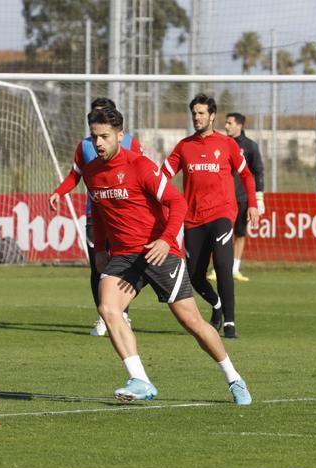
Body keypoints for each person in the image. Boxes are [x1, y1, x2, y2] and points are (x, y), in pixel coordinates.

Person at [82, 105, 251, 405]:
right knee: (108, 309)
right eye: (94, 137)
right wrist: (99, 251)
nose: (98, 143)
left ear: (121, 135)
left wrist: (165, 239)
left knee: (192, 323)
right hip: (123, 257)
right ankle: (140, 380)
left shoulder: (140, 165)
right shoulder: (92, 172)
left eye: (105, 137)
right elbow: (99, 212)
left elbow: (177, 202)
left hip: (160, 252)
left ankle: (234, 377)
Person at [162, 94, 259, 339]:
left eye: (202, 113)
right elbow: (163, 175)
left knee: (224, 267)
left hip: (222, 214)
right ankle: (215, 304)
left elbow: (247, 175)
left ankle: (230, 323)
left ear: (212, 115)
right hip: (193, 218)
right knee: (194, 275)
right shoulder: (184, 146)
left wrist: (253, 205)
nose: (197, 117)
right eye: (194, 113)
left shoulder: (227, 145)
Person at [49, 98, 142, 337]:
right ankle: (104, 317)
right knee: (98, 267)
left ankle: (123, 315)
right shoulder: (84, 146)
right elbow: (75, 175)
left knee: (122, 267)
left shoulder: (131, 142)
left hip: (124, 216)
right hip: (95, 216)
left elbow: (140, 171)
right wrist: (59, 192)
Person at [224, 112, 265, 282]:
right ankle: (220, 267)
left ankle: (235, 268)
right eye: (226, 123)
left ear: (239, 126)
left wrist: (259, 197)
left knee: (240, 234)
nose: (226, 126)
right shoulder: (221, 143)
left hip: (241, 197)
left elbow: (258, 172)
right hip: (223, 198)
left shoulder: (250, 147)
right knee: (222, 233)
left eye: (230, 123)